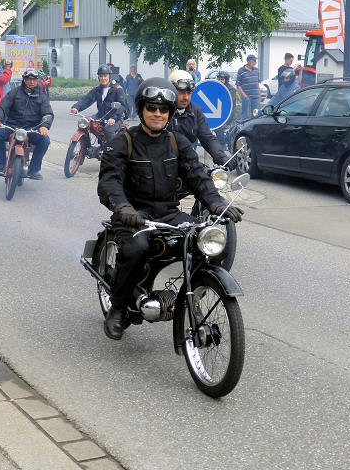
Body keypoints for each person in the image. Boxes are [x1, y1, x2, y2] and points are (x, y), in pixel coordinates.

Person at [97, 77, 244, 339]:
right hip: (133, 215)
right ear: (142, 109)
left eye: (163, 109)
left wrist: (217, 203)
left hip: (168, 212)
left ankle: (192, 300)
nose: (157, 113)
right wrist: (123, 208)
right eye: (151, 108)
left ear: (170, 113)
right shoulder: (124, 141)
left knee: (199, 243)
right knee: (137, 248)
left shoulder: (177, 142)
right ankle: (118, 308)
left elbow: (198, 176)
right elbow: (109, 182)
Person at [0, 69, 53, 179]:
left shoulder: (42, 96)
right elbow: (3, 106)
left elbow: (47, 113)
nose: (31, 82)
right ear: (24, 80)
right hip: (12, 127)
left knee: (45, 140)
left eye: (34, 79)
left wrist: (44, 126)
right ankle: (0, 164)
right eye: (28, 79)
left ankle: (34, 170)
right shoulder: (14, 92)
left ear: (37, 80)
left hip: (32, 129)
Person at [167, 69, 232, 167]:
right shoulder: (162, 110)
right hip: (165, 163)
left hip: (187, 161)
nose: (186, 97)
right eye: (182, 93)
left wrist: (221, 157)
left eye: (189, 93)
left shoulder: (195, 111)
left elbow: (207, 137)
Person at [70, 65, 127, 144]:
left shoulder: (117, 89)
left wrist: (113, 118)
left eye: (105, 76)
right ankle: (86, 146)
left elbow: (122, 105)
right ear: (98, 77)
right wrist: (76, 107)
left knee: (108, 129)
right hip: (100, 115)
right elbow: (87, 99)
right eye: (101, 76)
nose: (103, 78)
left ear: (109, 76)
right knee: (85, 123)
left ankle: (113, 150)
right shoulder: (97, 89)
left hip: (116, 117)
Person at [214, 70, 240, 150]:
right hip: (218, 113)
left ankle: (223, 143)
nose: (220, 81)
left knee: (217, 127)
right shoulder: (216, 88)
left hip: (228, 115)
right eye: (219, 79)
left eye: (222, 79)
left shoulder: (231, 90)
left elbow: (228, 104)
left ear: (226, 80)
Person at [236, 54, 261, 119]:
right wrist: (245, 96)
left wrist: (259, 95)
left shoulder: (256, 70)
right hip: (246, 97)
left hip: (256, 97)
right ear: (249, 61)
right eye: (254, 60)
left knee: (256, 115)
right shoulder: (241, 70)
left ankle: (255, 128)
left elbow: (257, 83)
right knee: (245, 115)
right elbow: (238, 85)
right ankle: (243, 128)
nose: (256, 62)